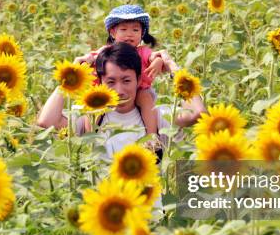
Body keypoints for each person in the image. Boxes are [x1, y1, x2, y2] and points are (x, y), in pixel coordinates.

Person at [37, 42, 206, 159]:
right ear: (101, 81)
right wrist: (71, 75)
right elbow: (46, 122)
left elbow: (198, 113)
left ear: (139, 80)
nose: (119, 91)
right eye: (111, 82)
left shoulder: (155, 116)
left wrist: (172, 67)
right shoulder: (89, 116)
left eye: (126, 81)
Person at [74, 5, 179, 144]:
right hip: (107, 90)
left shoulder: (143, 51)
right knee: (95, 108)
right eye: (123, 29)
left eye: (135, 30)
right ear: (112, 32)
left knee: (146, 99)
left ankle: (152, 139)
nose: (129, 34)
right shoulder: (108, 51)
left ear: (142, 34)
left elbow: (155, 57)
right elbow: (92, 57)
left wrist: (158, 62)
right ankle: (90, 140)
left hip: (139, 90)